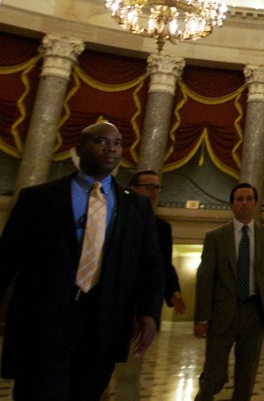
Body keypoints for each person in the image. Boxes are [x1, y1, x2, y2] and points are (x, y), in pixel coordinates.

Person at [0, 121, 165, 400]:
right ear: (79, 149)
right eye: (101, 141)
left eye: (117, 143)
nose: (110, 148)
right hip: (42, 329)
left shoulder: (136, 206)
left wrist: (149, 312)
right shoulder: (38, 199)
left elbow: (150, 266)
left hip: (101, 332)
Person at [193, 183, 264, 401]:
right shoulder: (215, 237)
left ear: (255, 203)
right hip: (222, 315)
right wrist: (201, 317)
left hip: (254, 313)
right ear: (232, 204)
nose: (244, 203)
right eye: (239, 199)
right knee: (213, 373)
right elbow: (205, 280)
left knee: (247, 374)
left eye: (249, 198)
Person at [113, 170, 187, 400]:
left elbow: (162, 264)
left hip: (137, 308)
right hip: (109, 302)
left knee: (130, 370)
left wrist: (173, 291)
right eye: (149, 186)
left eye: (157, 188)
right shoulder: (113, 217)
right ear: (132, 188)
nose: (154, 192)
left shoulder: (161, 228)